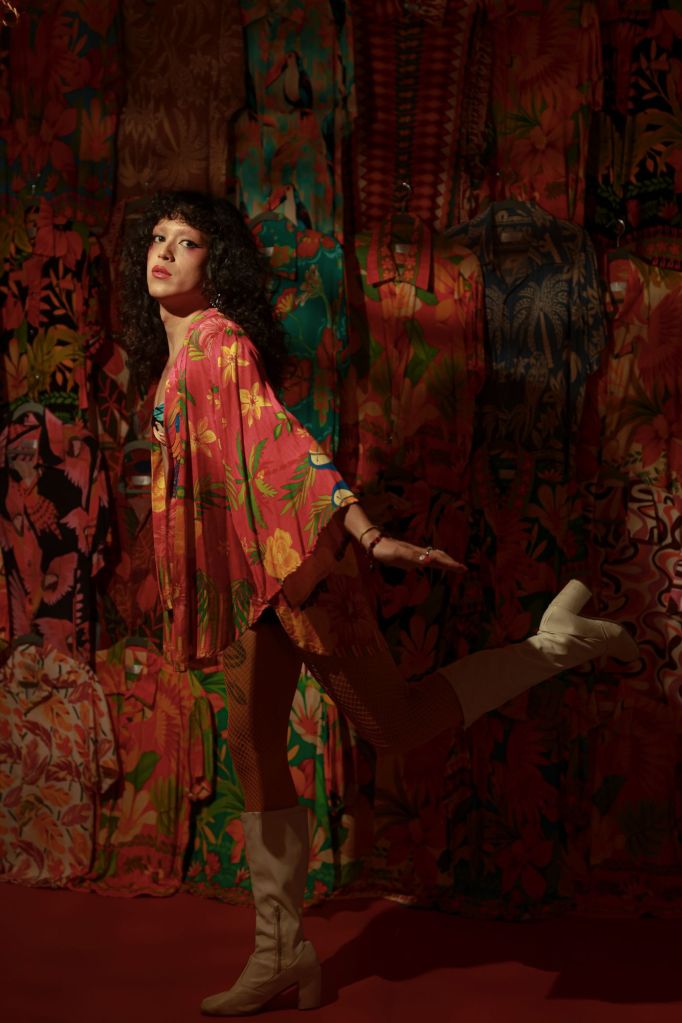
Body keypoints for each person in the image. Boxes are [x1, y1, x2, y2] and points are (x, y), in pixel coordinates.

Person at [121, 191, 638, 1017]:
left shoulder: (219, 342)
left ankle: (554, 642)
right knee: (253, 747)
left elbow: (284, 440)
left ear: (216, 267)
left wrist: (366, 534)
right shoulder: (174, 359)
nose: (165, 251)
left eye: (187, 242)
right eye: (158, 237)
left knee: (393, 725)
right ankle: (282, 952)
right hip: (251, 576)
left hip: (298, 566)